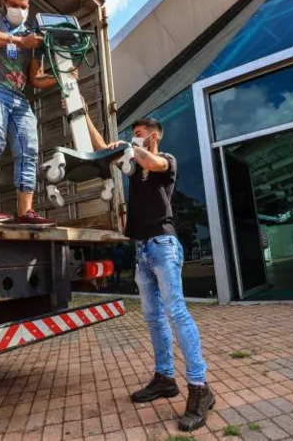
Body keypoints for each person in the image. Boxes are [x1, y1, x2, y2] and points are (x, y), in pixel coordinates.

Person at [83, 110, 213, 432]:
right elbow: (103, 149)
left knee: (177, 312)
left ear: (154, 135)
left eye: (139, 131)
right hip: (141, 249)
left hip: (163, 245)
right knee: (153, 317)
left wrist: (131, 146)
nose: (135, 135)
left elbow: (151, 162)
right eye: (133, 132)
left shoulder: (166, 160)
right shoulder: (133, 165)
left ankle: (200, 389)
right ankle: (165, 378)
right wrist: (84, 115)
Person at [0, 0, 65, 224]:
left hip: (18, 97)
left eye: (24, 7)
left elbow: (35, 79)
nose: (19, 10)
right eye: (13, 5)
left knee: (28, 150)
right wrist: (20, 42)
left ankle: (25, 212)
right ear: (3, 4)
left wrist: (63, 76)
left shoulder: (33, 38)